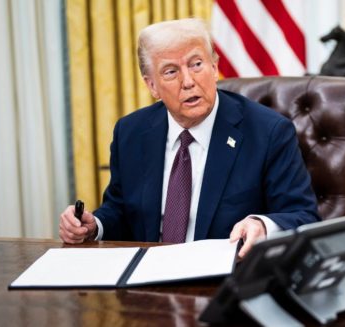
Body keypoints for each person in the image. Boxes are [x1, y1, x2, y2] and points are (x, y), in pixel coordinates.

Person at [58, 18, 320, 258]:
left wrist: (262, 225)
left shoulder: (268, 132)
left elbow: (304, 217)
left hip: (224, 284)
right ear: (152, 86)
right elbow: (121, 210)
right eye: (171, 71)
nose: (188, 81)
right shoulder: (131, 132)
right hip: (148, 285)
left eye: (196, 64)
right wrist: (95, 226)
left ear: (214, 67)